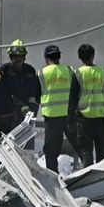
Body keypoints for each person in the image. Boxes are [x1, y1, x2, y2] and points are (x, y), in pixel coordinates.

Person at [39, 44, 80, 173]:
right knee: (81, 147)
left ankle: (53, 181)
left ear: (46, 58)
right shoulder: (69, 70)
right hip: (69, 117)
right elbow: (77, 91)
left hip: (52, 118)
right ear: (59, 57)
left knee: (51, 152)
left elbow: (35, 95)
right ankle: (92, 173)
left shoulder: (42, 73)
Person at [0, 39, 39, 114]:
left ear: (24, 57)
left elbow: (33, 93)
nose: (18, 59)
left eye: (20, 56)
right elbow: (3, 94)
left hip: (26, 113)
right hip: (8, 112)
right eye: (15, 56)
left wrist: (33, 110)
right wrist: (21, 106)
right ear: (10, 57)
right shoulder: (4, 71)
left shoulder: (30, 71)